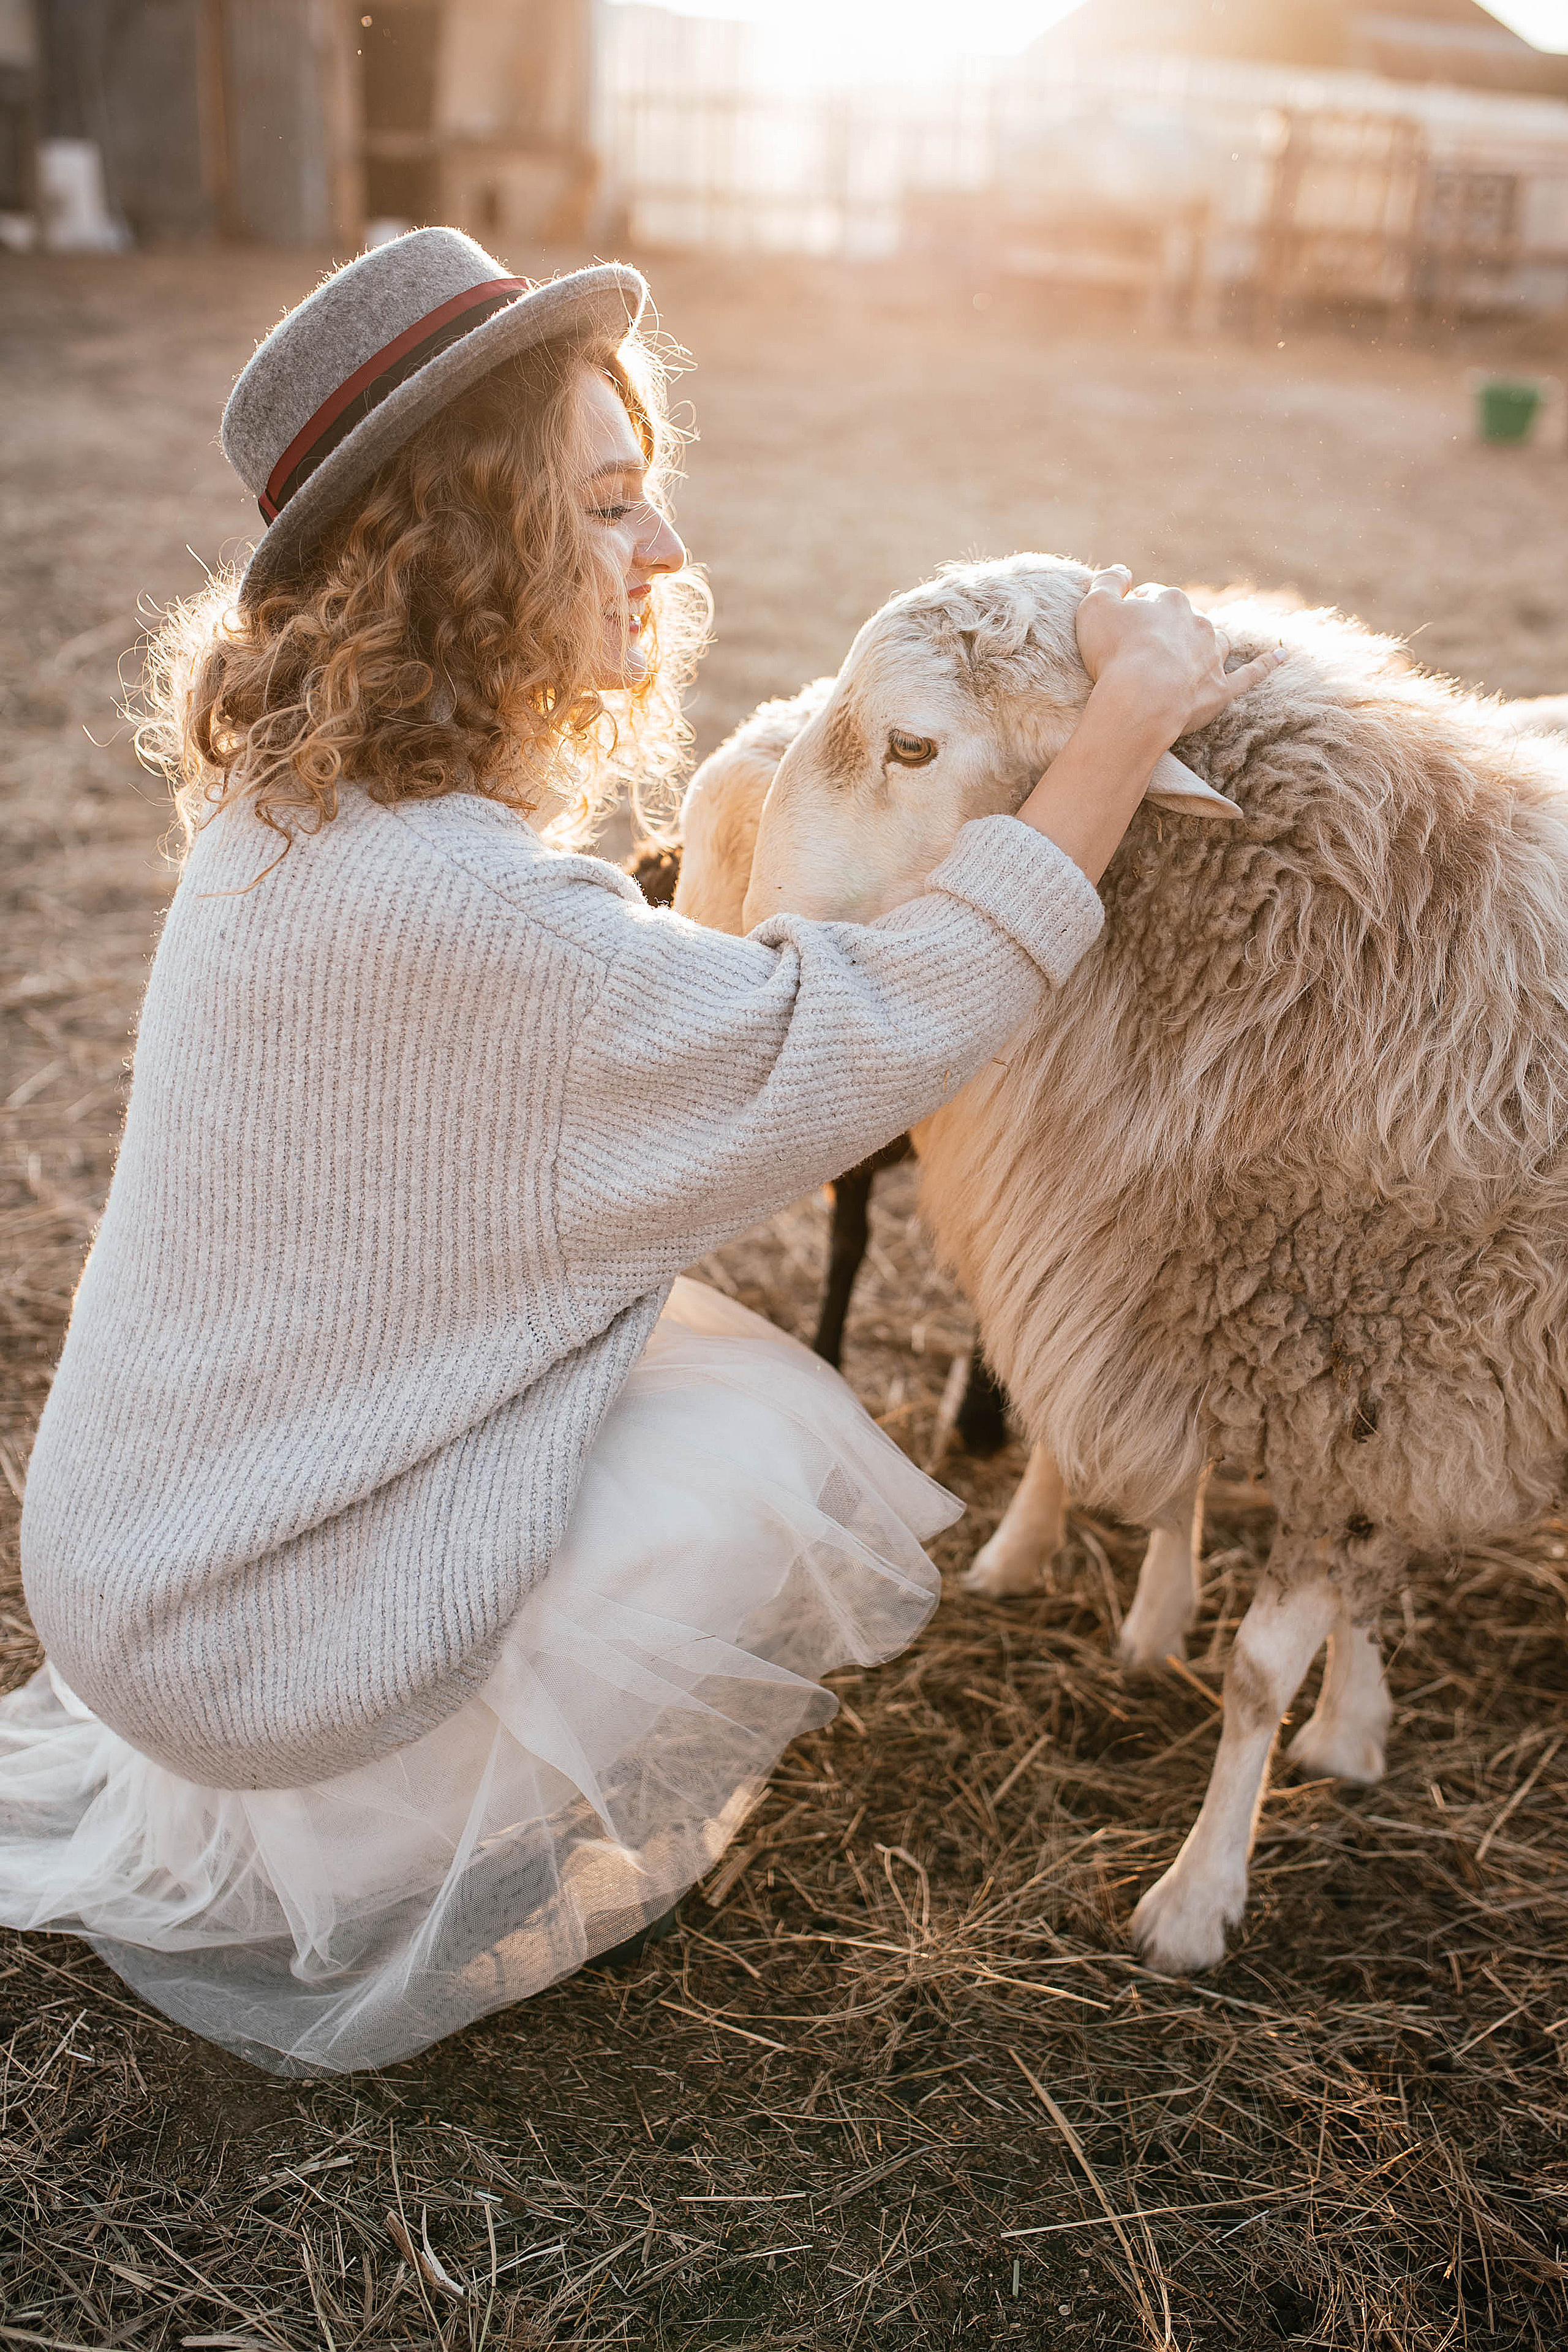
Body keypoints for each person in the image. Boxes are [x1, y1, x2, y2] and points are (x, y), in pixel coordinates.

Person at [0, 230, 1279, 2076]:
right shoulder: (471, 913)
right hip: (240, 1628)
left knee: (658, 1351)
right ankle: (389, 1855)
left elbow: (592, 1027)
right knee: (753, 1444)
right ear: (465, 544)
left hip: (152, 1551)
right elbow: (844, 1038)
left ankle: (356, 1801)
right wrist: (1125, 729)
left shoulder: (305, 819)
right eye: (606, 504)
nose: (664, 552)